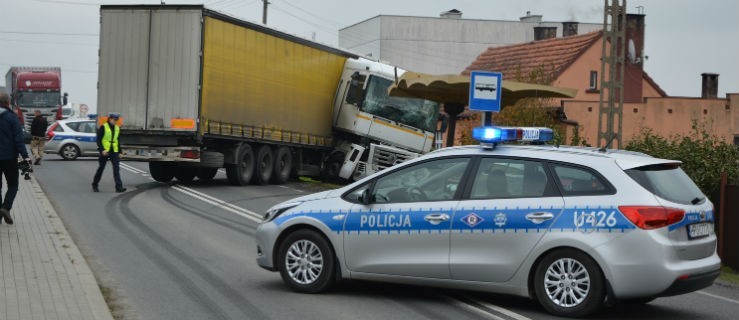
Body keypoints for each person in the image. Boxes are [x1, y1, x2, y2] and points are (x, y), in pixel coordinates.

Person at [0, 92, 32, 225]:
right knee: (13, 185)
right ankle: (5, 208)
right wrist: (25, 157)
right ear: (8, 103)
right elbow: (19, 140)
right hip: (9, 158)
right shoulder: (12, 118)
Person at [92, 113, 126, 193]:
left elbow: (117, 141)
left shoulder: (117, 128)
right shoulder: (103, 127)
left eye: (116, 120)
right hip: (105, 151)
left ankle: (119, 187)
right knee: (101, 168)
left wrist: (120, 152)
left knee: (116, 169)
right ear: (110, 119)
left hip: (114, 151)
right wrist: (102, 150)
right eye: (114, 120)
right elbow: (99, 140)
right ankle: (95, 184)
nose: (115, 121)